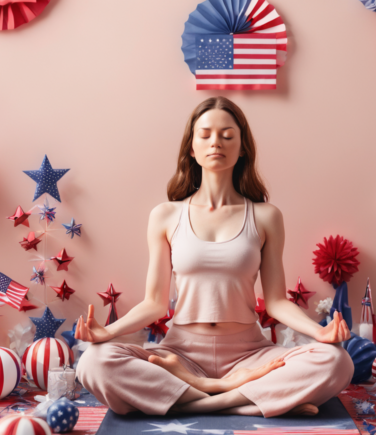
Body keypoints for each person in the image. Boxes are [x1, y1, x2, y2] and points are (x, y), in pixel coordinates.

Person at [75, 96, 354, 418]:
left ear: (243, 147)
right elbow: (154, 302)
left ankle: (204, 398)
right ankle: (245, 399)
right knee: (94, 362)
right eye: (205, 134)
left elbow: (276, 301)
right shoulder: (165, 215)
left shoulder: (266, 216)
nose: (215, 142)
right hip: (180, 355)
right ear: (191, 148)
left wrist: (318, 333)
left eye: (227, 135)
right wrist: (107, 333)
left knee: (336, 361)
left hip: (250, 354)